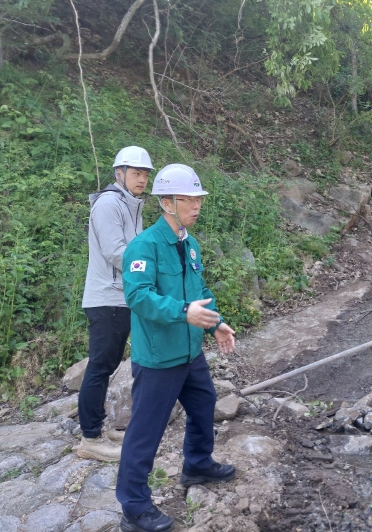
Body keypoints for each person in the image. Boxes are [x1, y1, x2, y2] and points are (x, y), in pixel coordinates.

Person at [117, 163, 237, 532]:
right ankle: (134, 508)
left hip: (189, 352)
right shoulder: (144, 246)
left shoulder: (190, 244)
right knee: (145, 430)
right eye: (188, 199)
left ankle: (196, 465)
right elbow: (138, 296)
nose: (196, 206)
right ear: (166, 202)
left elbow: (199, 294)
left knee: (204, 404)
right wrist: (184, 312)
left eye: (198, 199)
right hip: (158, 358)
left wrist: (215, 323)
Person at [77, 146, 154, 463]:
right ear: (119, 173)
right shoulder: (110, 204)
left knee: (105, 366)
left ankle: (97, 427)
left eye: (145, 174)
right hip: (108, 296)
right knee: (99, 367)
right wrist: (152, 272)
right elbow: (117, 253)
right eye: (136, 173)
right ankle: (90, 439)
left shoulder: (130, 205)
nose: (142, 180)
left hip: (121, 297)